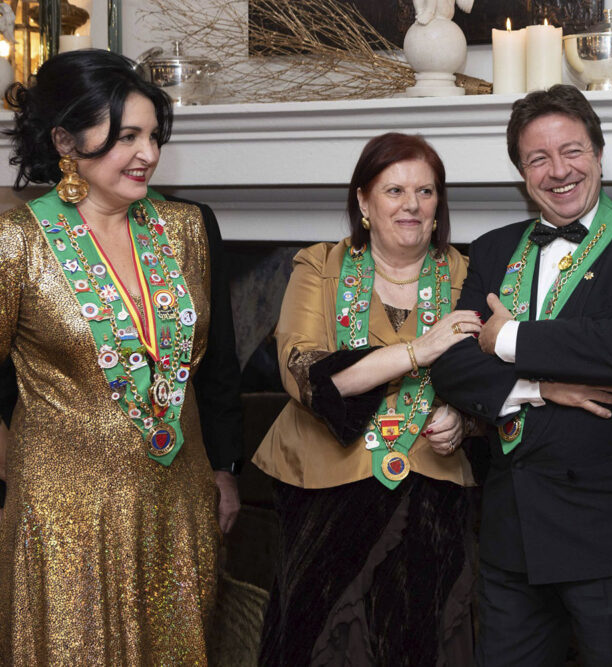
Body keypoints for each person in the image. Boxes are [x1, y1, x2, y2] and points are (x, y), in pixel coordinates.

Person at [431, 84, 612, 665]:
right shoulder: (492, 250)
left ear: (598, 153)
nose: (558, 171)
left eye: (572, 151)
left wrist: (506, 339)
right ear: (522, 173)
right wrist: (539, 387)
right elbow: (450, 362)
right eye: (538, 158)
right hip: (513, 535)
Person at [0, 50, 221, 663]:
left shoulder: (186, 230)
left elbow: (207, 361)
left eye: (153, 136)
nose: (147, 153)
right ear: (65, 141)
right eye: (126, 137)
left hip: (175, 502)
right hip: (64, 520)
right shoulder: (15, 244)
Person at [253, 132, 483, 665]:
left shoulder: (468, 274)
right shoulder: (319, 266)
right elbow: (306, 374)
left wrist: (464, 420)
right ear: (363, 199)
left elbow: (490, 379)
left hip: (433, 490)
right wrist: (419, 350)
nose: (412, 205)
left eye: (425, 191)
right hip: (325, 486)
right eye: (394, 190)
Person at [0, 195, 245, 534]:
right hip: (64, 502)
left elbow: (219, 356)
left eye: (153, 143)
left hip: (176, 490)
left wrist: (224, 465)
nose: (146, 163)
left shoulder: (188, 225)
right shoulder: (21, 234)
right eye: (126, 141)